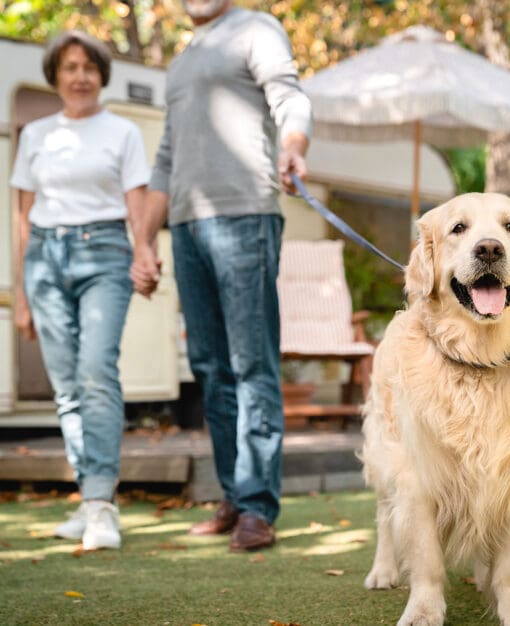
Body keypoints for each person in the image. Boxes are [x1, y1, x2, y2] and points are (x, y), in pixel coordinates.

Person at [130, 0, 311, 552]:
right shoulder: (182, 61)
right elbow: (165, 159)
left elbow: (288, 95)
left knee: (251, 361)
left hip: (245, 216)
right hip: (186, 227)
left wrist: (294, 147)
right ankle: (234, 494)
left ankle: (258, 506)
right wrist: (142, 241)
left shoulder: (256, 28)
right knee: (210, 366)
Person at [11, 31, 150, 550]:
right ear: (55, 76)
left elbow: (137, 204)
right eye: (69, 67)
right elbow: (22, 218)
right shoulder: (36, 135)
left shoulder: (122, 132)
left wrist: (144, 252)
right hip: (45, 257)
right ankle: (90, 498)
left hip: (105, 253)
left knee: (95, 372)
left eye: (89, 67)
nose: (80, 76)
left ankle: (101, 506)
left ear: (101, 76)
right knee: (66, 386)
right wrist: (22, 290)